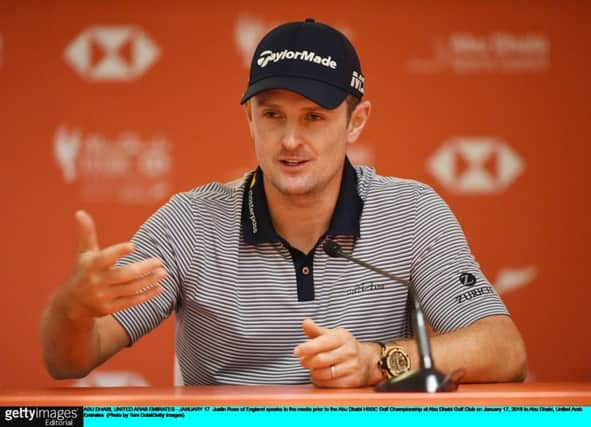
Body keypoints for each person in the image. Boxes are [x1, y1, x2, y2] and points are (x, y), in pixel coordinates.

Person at [40, 18, 527, 387]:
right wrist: (71, 311)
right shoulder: (189, 224)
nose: (290, 140)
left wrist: (376, 361)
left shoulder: (411, 213)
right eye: (273, 115)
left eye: (314, 118)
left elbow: (504, 349)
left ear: (355, 122)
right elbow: (69, 360)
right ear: (250, 120)